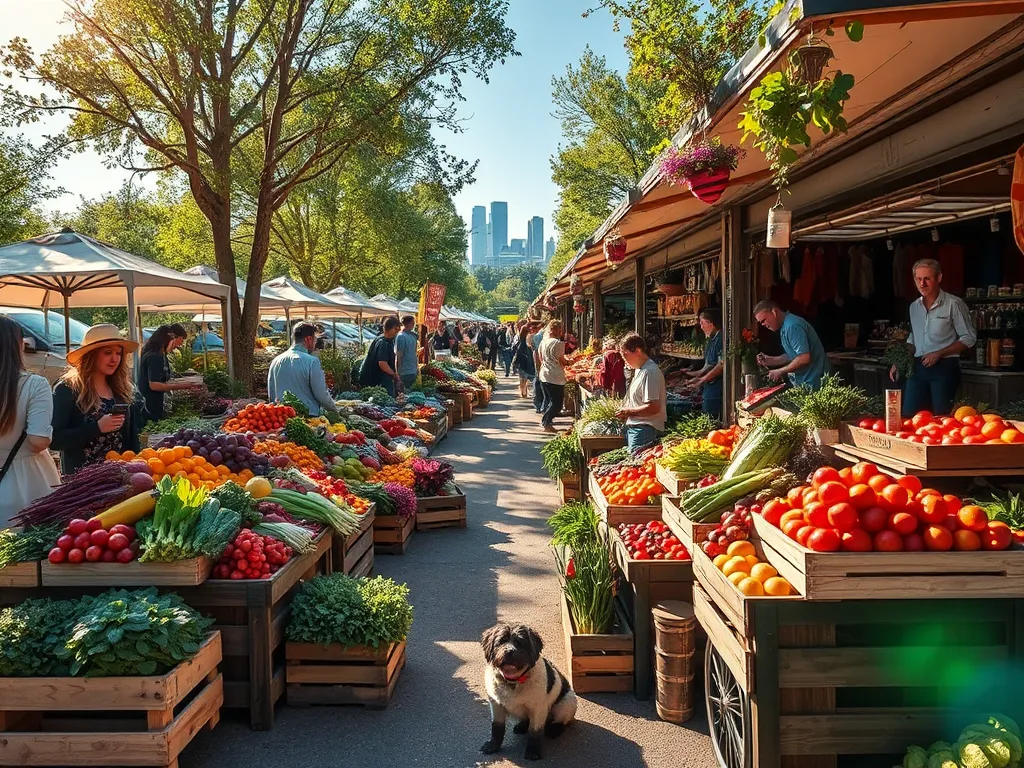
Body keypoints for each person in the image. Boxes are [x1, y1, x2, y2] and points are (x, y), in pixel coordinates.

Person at [51, 324, 142, 475]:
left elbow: (131, 438)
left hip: (119, 479)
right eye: (108, 353)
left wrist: (137, 469)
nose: (115, 359)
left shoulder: (121, 389)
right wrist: (96, 428)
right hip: (83, 484)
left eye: (118, 353)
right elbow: (55, 440)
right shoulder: (68, 389)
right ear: (91, 355)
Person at [890, 258, 977, 416]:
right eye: (918, 279)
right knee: (909, 416)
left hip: (944, 368)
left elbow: (969, 337)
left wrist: (939, 353)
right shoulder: (914, 307)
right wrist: (900, 360)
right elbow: (913, 338)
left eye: (927, 279)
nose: (922, 284)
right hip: (917, 368)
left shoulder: (954, 304)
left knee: (941, 418)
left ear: (939, 278)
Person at [0, 317, 61, 527]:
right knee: (30, 553)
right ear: (17, 345)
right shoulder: (34, 384)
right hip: (28, 483)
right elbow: (39, 441)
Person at [267, 322, 338, 417]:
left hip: (281, 416)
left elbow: (271, 394)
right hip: (307, 417)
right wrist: (334, 409)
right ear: (308, 339)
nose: (315, 342)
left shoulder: (276, 360)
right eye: (315, 339)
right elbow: (321, 394)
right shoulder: (312, 361)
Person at [753, 300, 828, 389]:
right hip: (805, 383)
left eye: (763, 321)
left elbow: (804, 358)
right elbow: (793, 356)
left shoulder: (792, 326)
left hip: (814, 383)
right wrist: (770, 360)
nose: (763, 325)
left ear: (774, 312)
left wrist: (780, 371)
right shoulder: (785, 326)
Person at [616, 333, 667, 451]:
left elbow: (653, 407)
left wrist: (628, 411)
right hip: (637, 427)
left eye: (625, 355)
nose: (624, 360)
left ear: (638, 351)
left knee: (637, 465)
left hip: (644, 429)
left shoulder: (650, 372)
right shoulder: (640, 370)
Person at [137, 323, 195, 426]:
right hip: (150, 405)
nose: (176, 345)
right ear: (166, 341)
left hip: (156, 403)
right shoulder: (154, 357)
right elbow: (154, 385)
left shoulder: (160, 355)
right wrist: (184, 386)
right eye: (173, 341)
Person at [686, 308, 725, 419]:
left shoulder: (721, 338)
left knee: (712, 421)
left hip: (716, 391)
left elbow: (721, 365)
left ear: (711, 323)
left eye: (702, 323)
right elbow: (708, 366)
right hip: (709, 390)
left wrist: (701, 380)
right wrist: (694, 376)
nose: (701, 327)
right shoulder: (712, 340)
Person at [537, 320, 568, 434]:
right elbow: (561, 361)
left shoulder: (543, 342)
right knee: (557, 403)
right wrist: (569, 362)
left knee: (550, 400)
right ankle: (546, 422)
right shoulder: (558, 343)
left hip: (544, 374)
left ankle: (546, 422)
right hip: (555, 376)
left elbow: (540, 358)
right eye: (560, 329)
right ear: (556, 329)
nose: (562, 331)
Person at [360, 316, 402, 396]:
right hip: (377, 379)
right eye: (397, 328)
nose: (398, 331)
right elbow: (383, 364)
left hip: (375, 378)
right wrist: (394, 375)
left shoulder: (381, 338)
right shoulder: (383, 343)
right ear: (393, 328)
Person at [395, 315, 420, 390]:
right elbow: (399, 356)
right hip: (405, 372)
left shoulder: (411, 336)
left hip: (411, 370)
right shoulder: (402, 337)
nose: (414, 324)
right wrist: (398, 373)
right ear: (409, 324)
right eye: (413, 323)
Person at [512, 320, 536, 398]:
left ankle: (524, 392)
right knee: (523, 376)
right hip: (524, 355)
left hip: (522, 355)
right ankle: (524, 392)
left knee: (523, 377)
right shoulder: (525, 329)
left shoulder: (521, 331)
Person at [529, 322, 548, 415]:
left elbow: (534, 350)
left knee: (537, 382)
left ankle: (538, 404)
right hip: (542, 362)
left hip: (538, 361)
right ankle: (542, 405)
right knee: (541, 384)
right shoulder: (542, 336)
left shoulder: (536, 337)